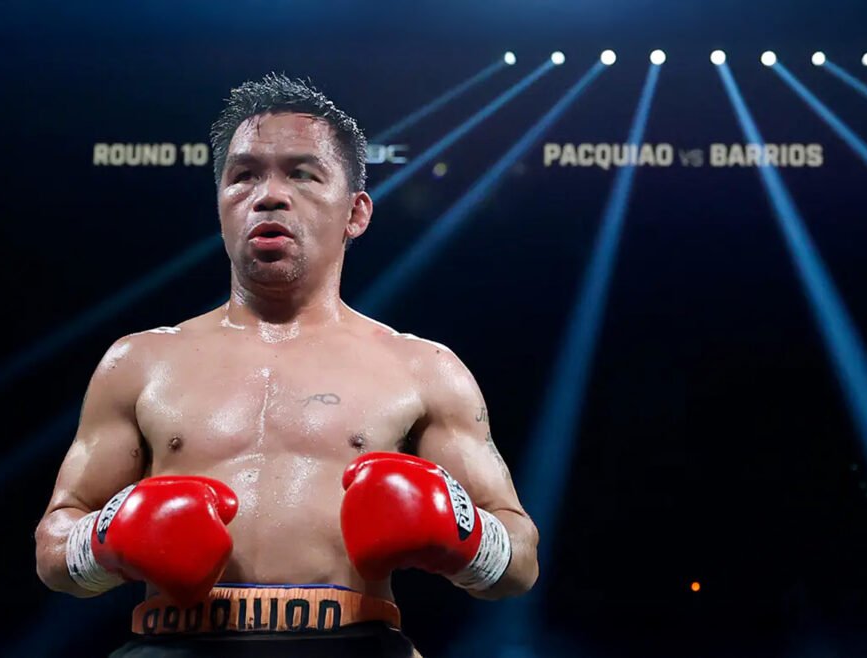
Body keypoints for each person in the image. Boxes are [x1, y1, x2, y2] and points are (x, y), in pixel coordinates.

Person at [34, 72, 539, 657]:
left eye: (302, 173)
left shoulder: (424, 368)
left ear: (356, 213)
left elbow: (520, 561)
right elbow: (54, 548)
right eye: (244, 175)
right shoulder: (140, 361)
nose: (268, 195)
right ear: (221, 204)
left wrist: (466, 535)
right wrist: (104, 539)